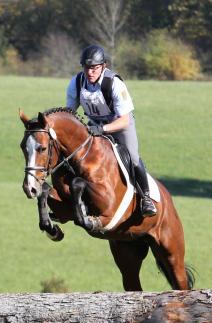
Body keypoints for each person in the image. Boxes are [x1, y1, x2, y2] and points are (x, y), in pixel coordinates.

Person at [66, 44, 157, 217]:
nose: (90, 72)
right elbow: (69, 113)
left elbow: (125, 120)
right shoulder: (76, 83)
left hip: (119, 126)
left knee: (133, 157)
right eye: (87, 68)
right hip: (94, 127)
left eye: (94, 68)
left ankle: (146, 198)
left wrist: (102, 129)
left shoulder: (114, 83)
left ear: (103, 66)